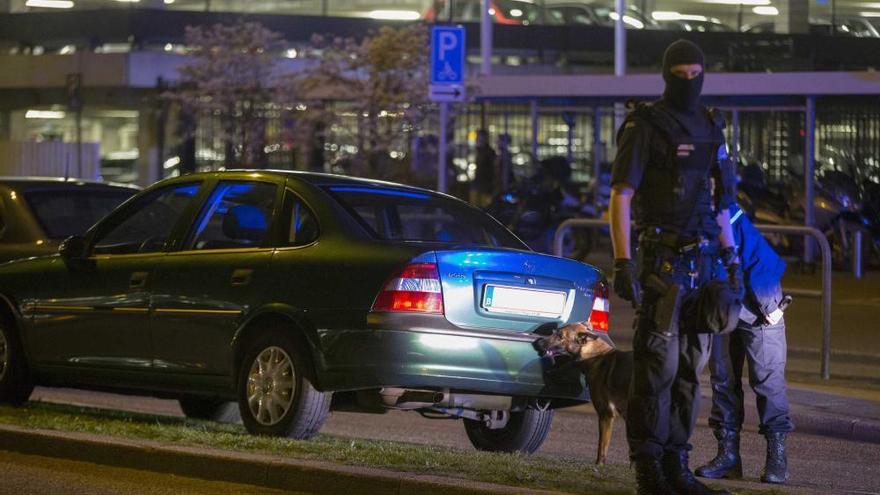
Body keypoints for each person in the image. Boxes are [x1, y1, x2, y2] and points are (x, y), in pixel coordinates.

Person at [609, 39, 739, 495]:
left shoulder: (710, 125)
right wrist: (623, 261)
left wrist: (732, 259)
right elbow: (621, 195)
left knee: (690, 372)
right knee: (655, 372)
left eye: (694, 74)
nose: (688, 82)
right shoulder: (645, 126)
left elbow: (722, 203)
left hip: (705, 266)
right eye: (679, 74)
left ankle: (677, 467)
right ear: (666, 75)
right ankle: (650, 473)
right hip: (662, 262)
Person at [695, 204, 794, 484]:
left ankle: (777, 457)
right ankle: (728, 457)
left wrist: (769, 310)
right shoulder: (697, 210)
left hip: (758, 298)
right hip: (723, 302)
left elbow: (754, 260)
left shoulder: (723, 210)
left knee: (767, 379)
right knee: (723, 380)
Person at [472, 129, 497, 207]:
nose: (477, 140)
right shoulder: (479, 151)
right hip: (479, 183)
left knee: (484, 206)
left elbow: (492, 169)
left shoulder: (489, 152)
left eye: (480, 138)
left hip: (485, 184)